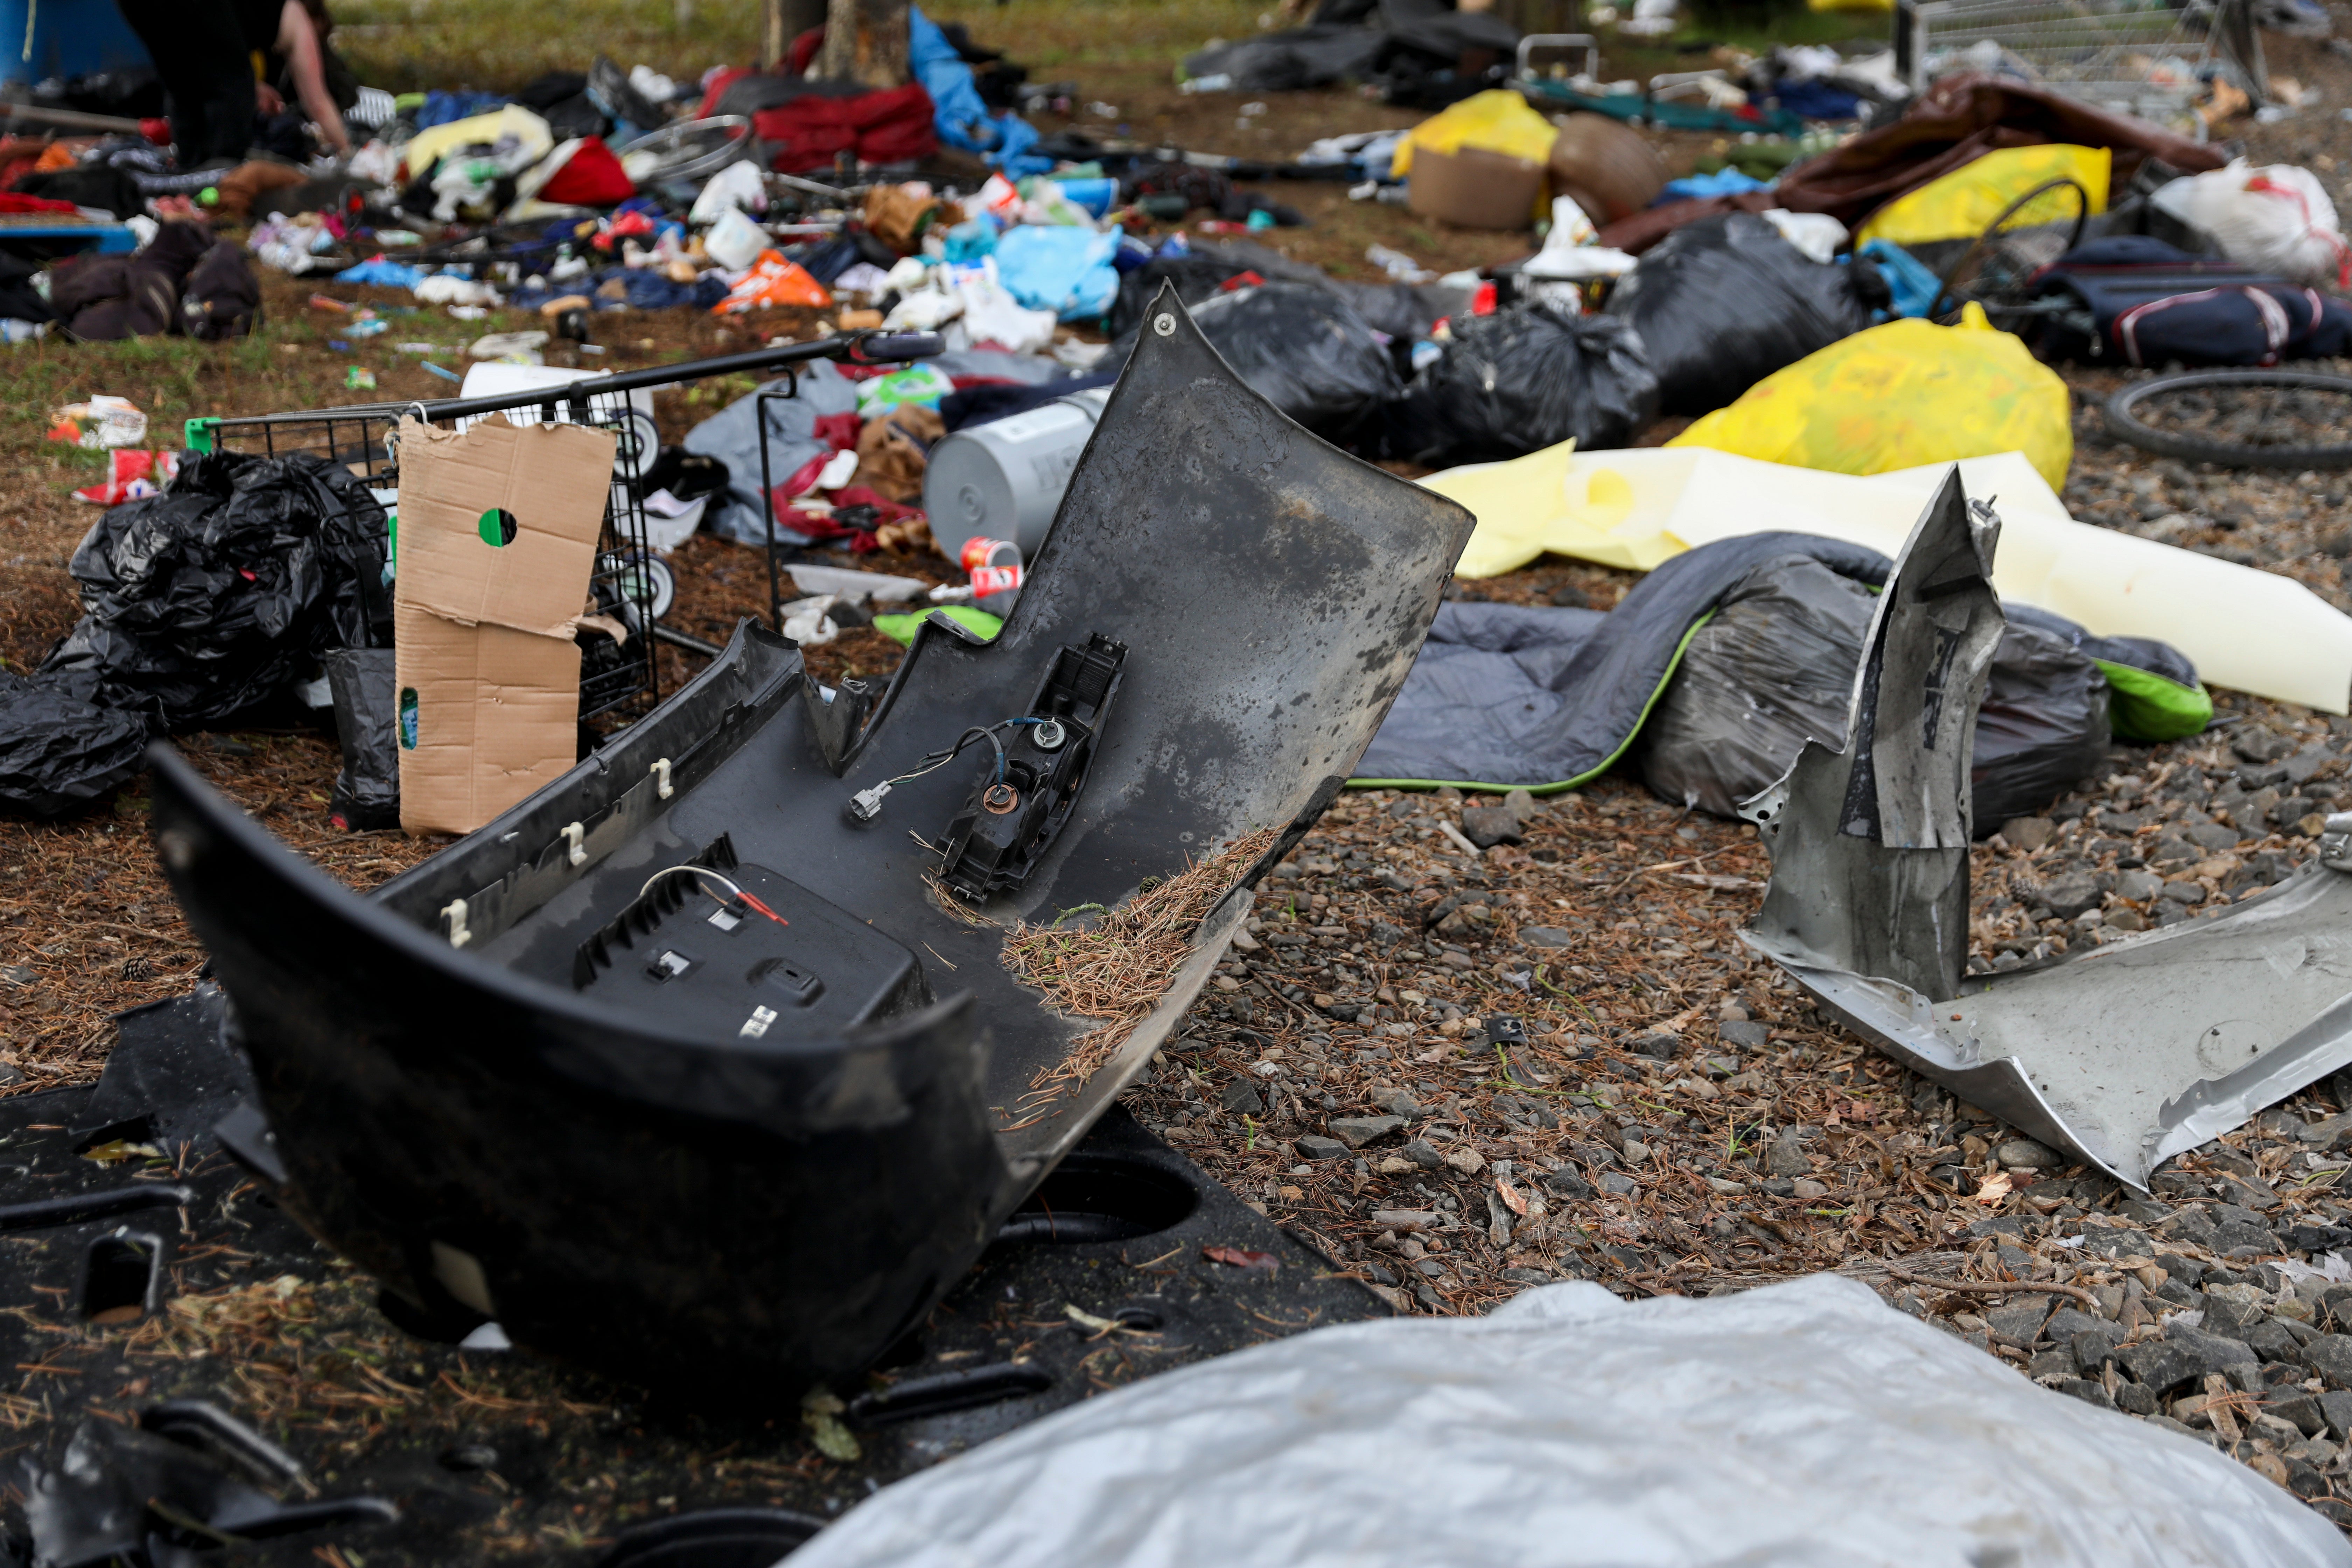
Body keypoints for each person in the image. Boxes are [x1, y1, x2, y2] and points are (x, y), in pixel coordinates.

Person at [110, 0, 351, 168]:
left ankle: (188, 172)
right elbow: (317, 101)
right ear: (318, 19)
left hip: (138, 7)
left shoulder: (245, 12)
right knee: (232, 90)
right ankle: (220, 175)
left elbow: (207, 60)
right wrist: (349, 153)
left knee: (183, 86)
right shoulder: (297, 15)